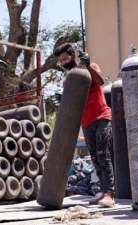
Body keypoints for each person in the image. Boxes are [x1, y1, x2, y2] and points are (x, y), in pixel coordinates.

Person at [54, 43, 115, 208]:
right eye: (60, 61)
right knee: (95, 157)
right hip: (86, 121)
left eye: (65, 58)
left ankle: (109, 193)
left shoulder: (90, 68)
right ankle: (103, 191)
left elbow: (100, 81)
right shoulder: (68, 79)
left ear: (73, 56)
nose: (63, 62)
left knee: (103, 154)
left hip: (101, 116)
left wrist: (88, 66)